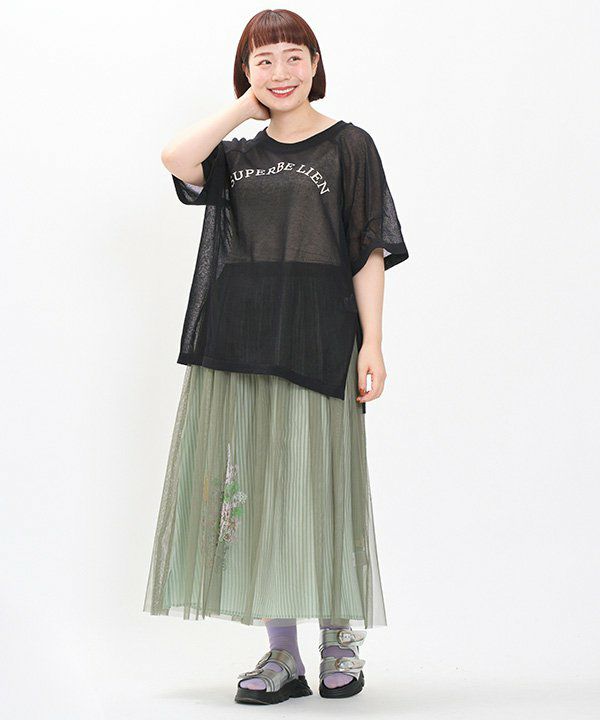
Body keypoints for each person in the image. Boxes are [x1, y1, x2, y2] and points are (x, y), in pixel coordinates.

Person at [143, 8, 409, 705]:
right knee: (257, 492)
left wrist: (373, 343)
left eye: (294, 56)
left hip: (320, 334)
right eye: (264, 61)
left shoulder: (350, 145)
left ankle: (339, 640)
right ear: (247, 72)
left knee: (323, 483)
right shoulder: (234, 155)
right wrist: (244, 106)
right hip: (241, 336)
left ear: (316, 64)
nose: (281, 72)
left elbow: (368, 251)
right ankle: (282, 654)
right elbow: (175, 158)